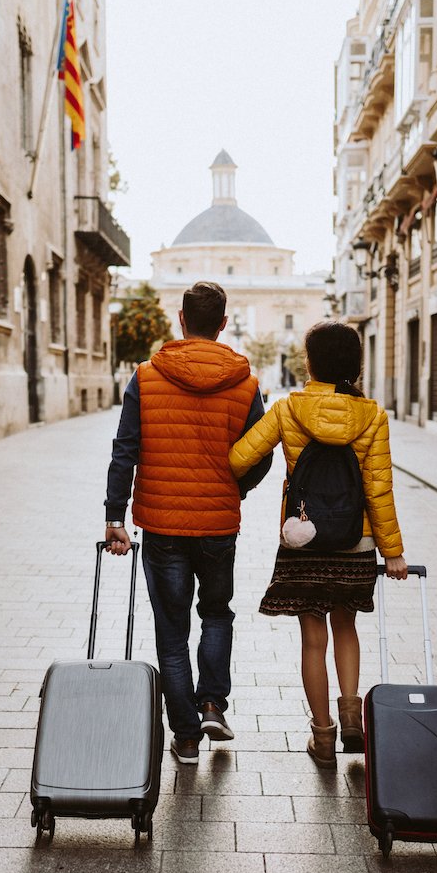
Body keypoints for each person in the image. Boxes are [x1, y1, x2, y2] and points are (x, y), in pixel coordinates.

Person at [104, 281, 272, 765]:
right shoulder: (245, 383)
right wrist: (234, 489)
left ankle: (186, 736)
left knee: (172, 629)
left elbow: (125, 450)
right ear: (223, 323)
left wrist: (115, 515)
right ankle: (213, 703)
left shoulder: (146, 376)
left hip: (162, 525)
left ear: (181, 319)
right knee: (216, 613)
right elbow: (260, 453)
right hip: (218, 524)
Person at [229, 321, 406, 769]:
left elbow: (239, 458)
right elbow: (378, 489)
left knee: (313, 639)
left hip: (303, 538)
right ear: (356, 365)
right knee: (346, 627)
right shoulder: (373, 416)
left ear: (310, 363)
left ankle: (323, 737)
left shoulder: (289, 408)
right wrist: (393, 552)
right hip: (355, 541)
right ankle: (352, 717)